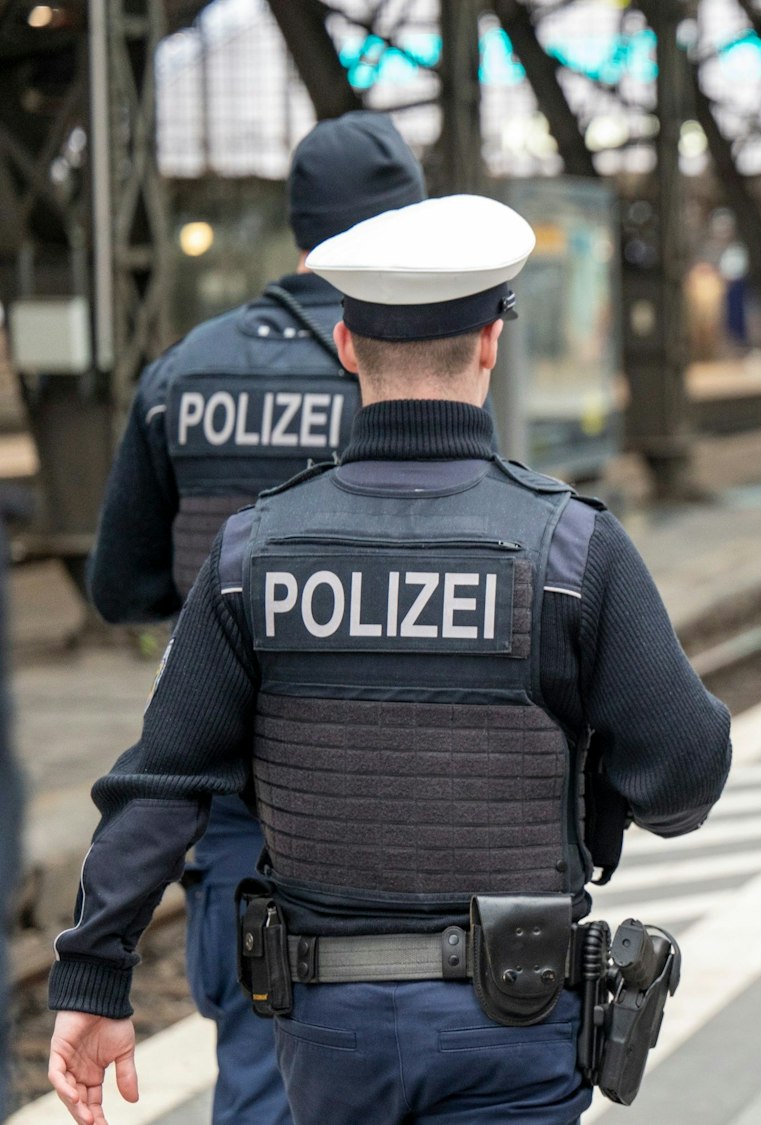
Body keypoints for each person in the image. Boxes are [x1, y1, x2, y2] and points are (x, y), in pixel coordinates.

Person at [46, 194, 733, 1125]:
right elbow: (685, 772)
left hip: (329, 1035)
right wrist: (591, 787)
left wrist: (94, 975)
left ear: (346, 348)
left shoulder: (254, 553)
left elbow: (162, 780)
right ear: (491, 343)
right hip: (515, 1020)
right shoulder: (572, 550)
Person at [81, 110, 425, 1125]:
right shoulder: (410, 369)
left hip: (231, 792)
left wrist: (213, 620)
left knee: (259, 1066)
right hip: (384, 791)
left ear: (299, 223)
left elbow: (119, 586)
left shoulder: (183, 372)